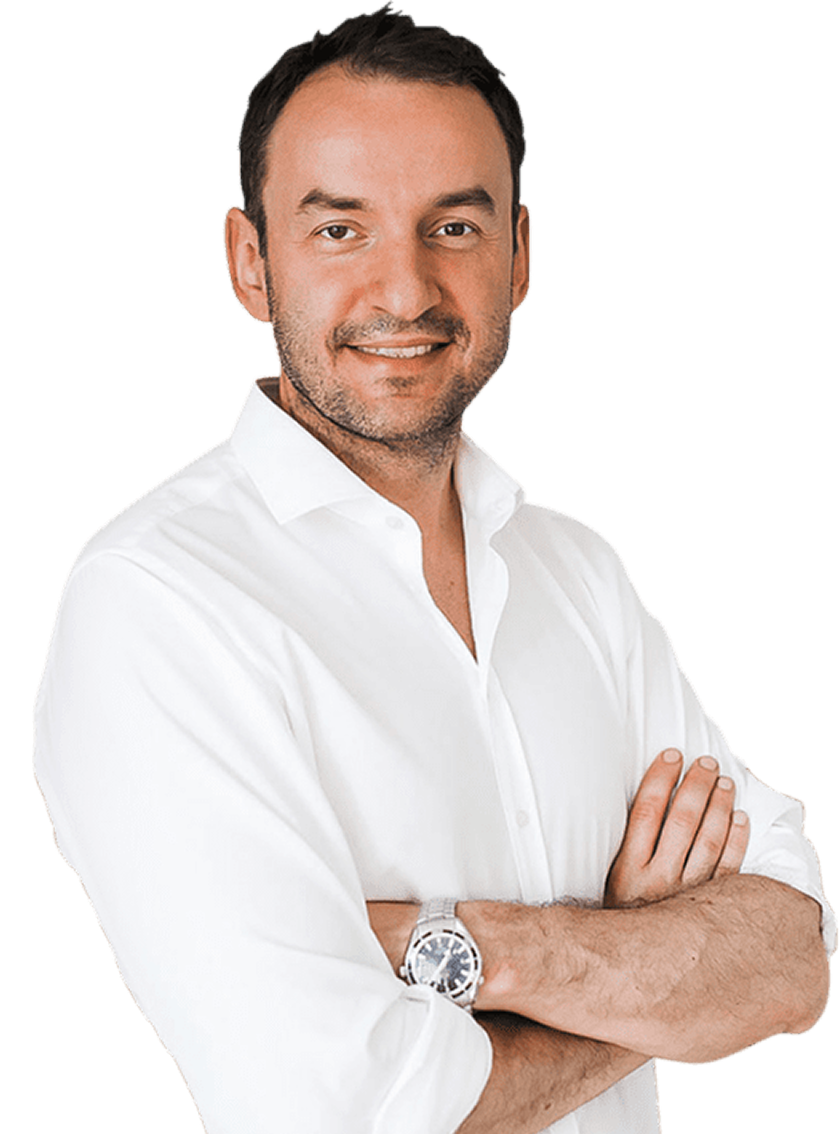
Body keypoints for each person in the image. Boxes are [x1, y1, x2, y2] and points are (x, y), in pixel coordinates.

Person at [32, 6, 834, 1133]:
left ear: (521, 257)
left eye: (453, 227)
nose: (404, 292)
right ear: (250, 264)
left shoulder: (575, 570)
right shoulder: (159, 600)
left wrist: (457, 945)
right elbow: (351, 1109)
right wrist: (650, 970)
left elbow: (793, 956)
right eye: (340, 230)